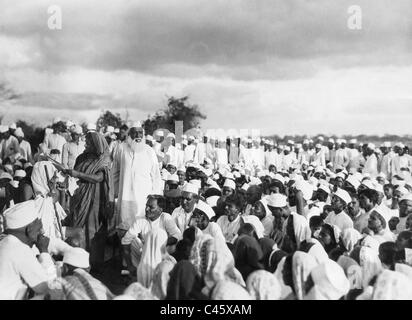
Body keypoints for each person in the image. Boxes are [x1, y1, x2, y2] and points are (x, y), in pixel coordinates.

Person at [64, 131, 114, 273]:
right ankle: (76, 261)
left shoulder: (104, 159)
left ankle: (93, 263)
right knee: (77, 227)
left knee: (92, 231)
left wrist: (78, 174)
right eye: (86, 142)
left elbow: (99, 178)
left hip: (95, 200)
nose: (85, 144)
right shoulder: (82, 157)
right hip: (79, 197)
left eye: (88, 142)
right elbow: (74, 175)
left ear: (96, 144)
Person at [0, 200, 56, 299]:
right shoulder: (20, 250)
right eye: (39, 228)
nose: (42, 232)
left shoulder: (5, 242)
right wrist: (44, 251)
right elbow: (46, 287)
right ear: (29, 229)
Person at [113, 123, 163, 228]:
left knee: (142, 229)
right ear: (129, 134)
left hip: (144, 201)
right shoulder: (121, 148)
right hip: (125, 198)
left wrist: (156, 200)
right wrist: (112, 195)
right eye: (134, 132)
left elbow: (156, 177)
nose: (137, 135)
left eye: (140, 132)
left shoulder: (149, 151)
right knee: (124, 230)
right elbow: (115, 174)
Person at [121, 195, 181, 273]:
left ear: (160, 210)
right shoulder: (140, 220)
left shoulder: (165, 218)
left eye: (151, 207)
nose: (147, 209)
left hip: (161, 253)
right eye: (146, 206)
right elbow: (125, 241)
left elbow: (177, 235)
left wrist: (159, 243)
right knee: (133, 240)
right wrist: (130, 266)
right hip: (144, 253)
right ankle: (136, 270)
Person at [48, 247, 114, 300]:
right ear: (89, 268)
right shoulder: (100, 285)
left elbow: (48, 293)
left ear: (65, 268)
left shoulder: (63, 282)